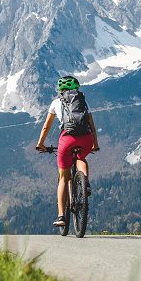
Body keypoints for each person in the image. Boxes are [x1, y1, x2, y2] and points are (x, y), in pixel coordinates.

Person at [36, 76, 100, 226]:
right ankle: (85, 184)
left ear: (60, 90)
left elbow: (46, 126)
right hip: (86, 138)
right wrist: (94, 144)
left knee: (64, 177)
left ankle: (60, 217)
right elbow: (92, 126)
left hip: (67, 139)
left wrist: (40, 144)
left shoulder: (55, 103)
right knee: (81, 158)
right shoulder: (82, 101)